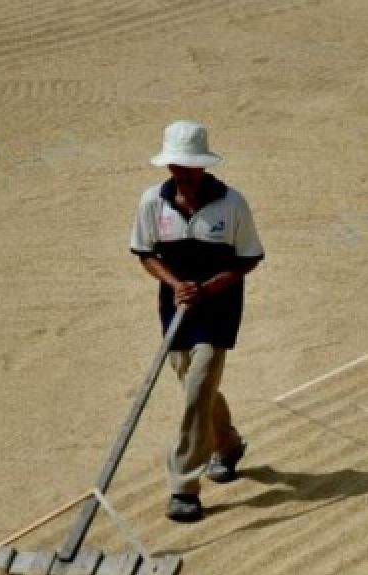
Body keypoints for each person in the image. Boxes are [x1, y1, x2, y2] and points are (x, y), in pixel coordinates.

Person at [129, 120, 265, 522]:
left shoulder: (232, 204)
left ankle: (184, 487)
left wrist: (206, 289)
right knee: (196, 387)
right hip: (176, 308)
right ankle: (227, 443)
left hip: (219, 307)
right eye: (174, 166)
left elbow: (249, 258)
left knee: (198, 387)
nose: (181, 174)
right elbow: (144, 252)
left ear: (203, 166)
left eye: (188, 166)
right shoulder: (152, 201)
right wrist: (175, 284)